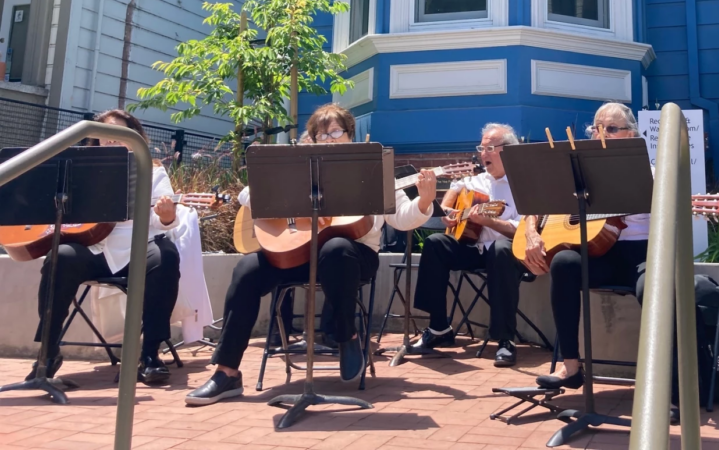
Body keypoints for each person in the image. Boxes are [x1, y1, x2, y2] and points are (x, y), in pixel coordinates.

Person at [185, 104, 437, 405]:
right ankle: (226, 373)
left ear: (350, 134)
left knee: (336, 249)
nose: (328, 139)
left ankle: (347, 336)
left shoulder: (371, 169)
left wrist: (424, 201)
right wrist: (290, 205)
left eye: (335, 132)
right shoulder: (297, 167)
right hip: (296, 253)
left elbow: (401, 218)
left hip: (353, 258)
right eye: (321, 134)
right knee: (247, 269)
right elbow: (247, 194)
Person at [34, 109, 181, 385]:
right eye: (105, 137)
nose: (111, 141)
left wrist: (167, 215)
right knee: (59, 257)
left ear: (133, 137)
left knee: (166, 256)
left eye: (118, 135)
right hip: (94, 247)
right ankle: (48, 352)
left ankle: (150, 355)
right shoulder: (83, 171)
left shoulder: (153, 170)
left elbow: (165, 219)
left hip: (139, 248)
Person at [522, 102, 649, 390]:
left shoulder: (649, 170)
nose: (600, 134)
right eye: (596, 129)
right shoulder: (579, 173)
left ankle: (671, 380)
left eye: (611, 129)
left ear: (630, 135)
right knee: (564, 263)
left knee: (653, 286)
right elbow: (538, 204)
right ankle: (571, 367)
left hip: (640, 256)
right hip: (599, 254)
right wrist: (532, 232)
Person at [409, 123, 523, 366]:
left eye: (490, 148)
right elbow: (453, 191)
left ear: (509, 151)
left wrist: (489, 221)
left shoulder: (521, 184)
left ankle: (505, 340)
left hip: (508, 252)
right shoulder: (477, 181)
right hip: (474, 247)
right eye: (481, 148)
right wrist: (449, 211)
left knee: (501, 250)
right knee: (435, 243)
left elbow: (521, 229)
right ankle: (439, 328)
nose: (484, 153)